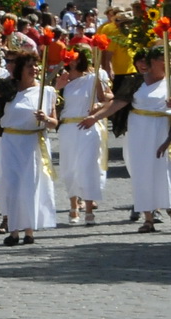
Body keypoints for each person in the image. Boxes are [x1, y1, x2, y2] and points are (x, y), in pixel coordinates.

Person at [86, 45, 171, 231]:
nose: (168, 62)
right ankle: (148, 218)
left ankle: (167, 205)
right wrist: (96, 117)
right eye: (164, 58)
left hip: (162, 132)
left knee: (164, 172)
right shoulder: (136, 81)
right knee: (141, 173)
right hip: (139, 132)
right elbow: (117, 103)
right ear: (153, 61)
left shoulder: (170, 83)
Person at [0, 54, 57, 246]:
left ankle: (29, 231)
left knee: (29, 185)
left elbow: (55, 123)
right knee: (12, 185)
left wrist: (46, 118)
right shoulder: (9, 90)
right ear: (20, 69)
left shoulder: (46, 91)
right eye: (29, 66)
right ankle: (14, 231)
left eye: (36, 65)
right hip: (12, 141)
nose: (34, 69)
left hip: (33, 142)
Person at [55, 47, 107, 225]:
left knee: (88, 166)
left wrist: (97, 108)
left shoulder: (92, 78)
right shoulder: (63, 79)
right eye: (70, 58)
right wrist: (57, 87)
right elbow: (52, 103)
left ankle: (89, 208)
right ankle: (73, 205)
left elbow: (105, 99)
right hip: (68, 127)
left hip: (87, 126)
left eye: (76, 58)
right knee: (70, 167)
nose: (73, 61)